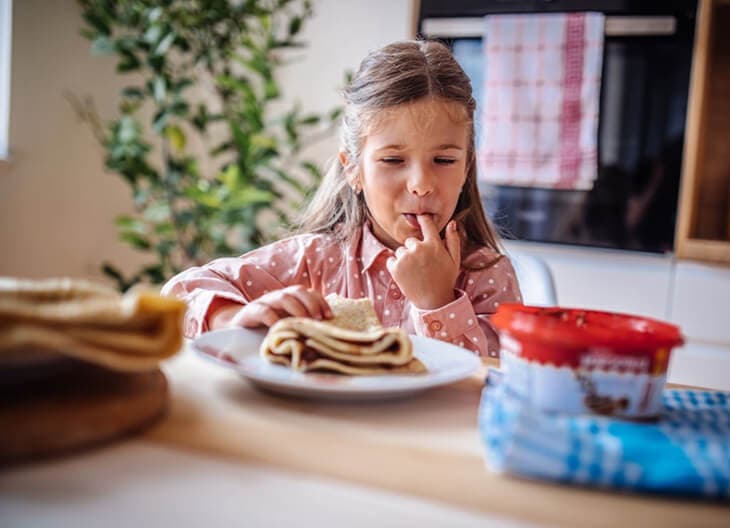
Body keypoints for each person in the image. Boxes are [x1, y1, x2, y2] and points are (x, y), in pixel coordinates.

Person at [162, 40, 522, 358]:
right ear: (354, 170)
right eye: (393, 160)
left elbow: (489, 386)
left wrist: (437, 304)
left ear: (465, 169)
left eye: (444, 160)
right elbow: (179, 292)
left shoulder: (488, 275)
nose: (421, 184)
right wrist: (234, 318)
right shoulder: (315, 261)